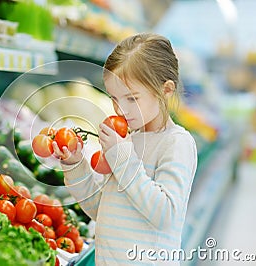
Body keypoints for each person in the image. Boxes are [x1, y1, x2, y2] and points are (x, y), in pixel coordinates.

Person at [52, 33, 198, 265]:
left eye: (132, 99)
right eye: (114, 98)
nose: (121, 110)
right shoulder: (129, 140)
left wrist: (123, 158)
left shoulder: (176, 143)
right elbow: (103, 210)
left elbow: (166, 214)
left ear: (166, 90)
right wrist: (75, 165)